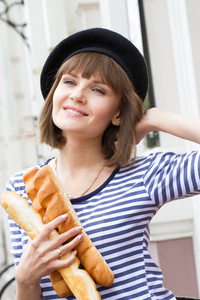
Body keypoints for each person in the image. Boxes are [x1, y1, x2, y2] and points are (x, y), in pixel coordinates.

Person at [4, 27, 200, 300]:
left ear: (118, 113)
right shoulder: (22, 188)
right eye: (70, 82)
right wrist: (25, 281)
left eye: (98, 89)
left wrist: (156, 118)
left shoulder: (144, 175)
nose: (78, 95)